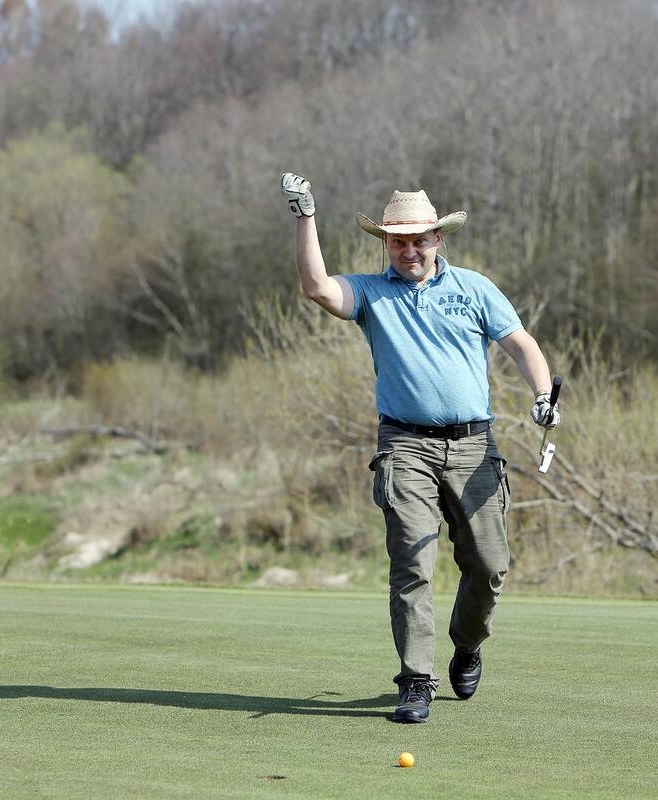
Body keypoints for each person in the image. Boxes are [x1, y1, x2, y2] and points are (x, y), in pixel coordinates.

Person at [280, 173, 560, 723]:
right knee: (412, 563)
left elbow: (521, 344)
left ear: (438, 239)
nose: (409, 250)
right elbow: (317, 288)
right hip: (404, 446)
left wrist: (543, 395)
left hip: (474, 447)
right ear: (386, 243)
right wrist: (306, 215)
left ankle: (467, 645)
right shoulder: (371, 292)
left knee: (489, 567)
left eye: (419, 240)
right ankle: (415, 681)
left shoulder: (474, 289)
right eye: (398, 241)